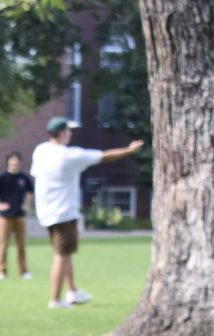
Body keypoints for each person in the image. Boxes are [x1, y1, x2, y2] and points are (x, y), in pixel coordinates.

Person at [30, 116, 144, 309]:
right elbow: (104, 156)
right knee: (61, 255)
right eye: (68, 130)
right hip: (64, 211)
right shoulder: (69, 155)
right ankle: (55, 300)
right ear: (62, 132)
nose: (71, 133)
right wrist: (130, 150)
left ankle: (73, 291)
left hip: (46, 211)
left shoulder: (40, 151)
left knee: (64, 253)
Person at [0, 151, 34, 280]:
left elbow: (31, 192)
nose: (14, 162)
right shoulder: (3, 177)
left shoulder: (23, 178)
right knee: (3, 245)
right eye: (12, 160)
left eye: (17, 160)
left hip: (20, 215)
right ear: (8, 162)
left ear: (20, 162)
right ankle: (2, 271)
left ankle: (23, 271)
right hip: (5, 216)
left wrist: (27, 205)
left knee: (21, 245)